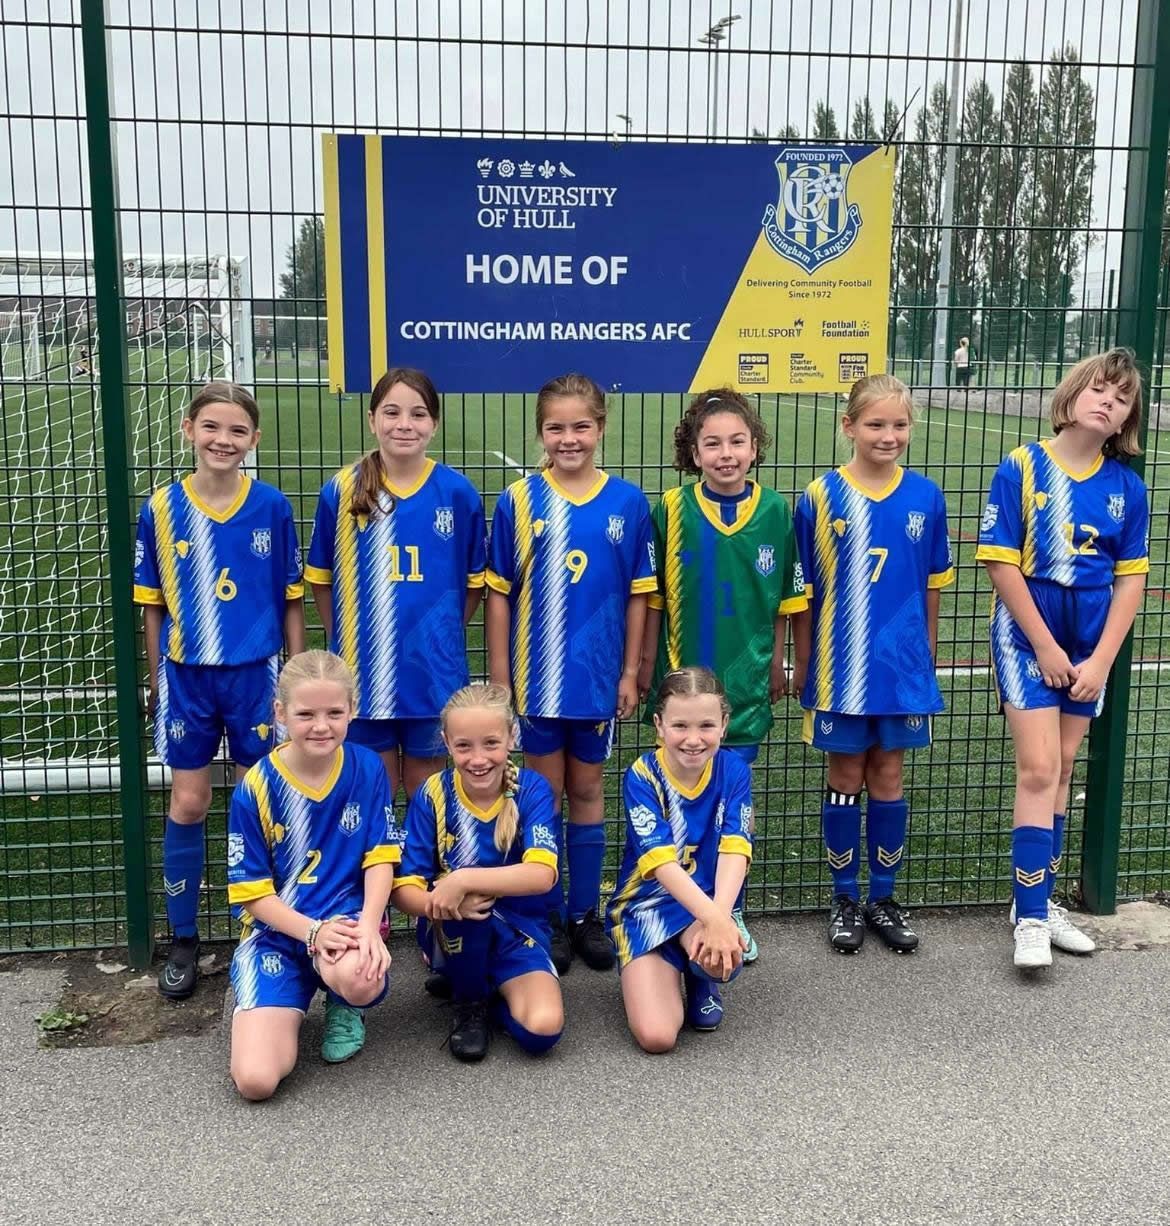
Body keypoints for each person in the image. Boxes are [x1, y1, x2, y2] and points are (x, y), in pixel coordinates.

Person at [975, 348, 1148, 969]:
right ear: (1072, 396)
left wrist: (1100, 660)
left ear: (1129, 417)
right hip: (1030, 635)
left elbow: (1130, 581)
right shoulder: (1022, 467)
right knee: (1040, 768)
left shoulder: (1128, 486)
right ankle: (1026, 917)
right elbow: (1000, 561)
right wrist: (1045, 645)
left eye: (1122, 398)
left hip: (1091, 640)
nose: (1109, 401)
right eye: (1101, 389)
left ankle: (1040, 902)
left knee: (1066, 765)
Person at [133, 380, 305, 1000]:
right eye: (211, 427)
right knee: (190, 802)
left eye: (236, 431)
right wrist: (155, 676)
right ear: (188, 430)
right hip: (187, 676)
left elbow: (290, 599)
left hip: (255, 674)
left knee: (260, 798)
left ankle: (265, 927)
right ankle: (183, 937)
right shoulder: (160, 507)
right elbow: (152, 606)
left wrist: (293, 671)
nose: (223, 440)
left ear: (253, 440)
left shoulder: (272, 507)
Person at [486, 372, 656, 974]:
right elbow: (500, 594)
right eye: (556, 427)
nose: (569, 438)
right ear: (540, 433)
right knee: (541, 796)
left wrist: (631, 671)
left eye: (581, 426)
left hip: (594, 682)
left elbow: (641, 595)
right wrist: (501, 679)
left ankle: (584, 914)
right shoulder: (518, 500)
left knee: (586, 793)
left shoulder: (628, 503)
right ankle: (543, 912)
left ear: (601, 428)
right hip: (534, 684)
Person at [636, 388, 806, 962]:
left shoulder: (779, 511)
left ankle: (728, 909)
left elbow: (789, 599)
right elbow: (653, 598)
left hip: (748, 687)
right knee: (680, 799)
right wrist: (641, 668)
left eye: (737, 441)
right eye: (713, 443)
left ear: (755, 447)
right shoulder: (671, 509)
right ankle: (683, 907)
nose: (726, 453)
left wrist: (789, 660)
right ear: (693, 451)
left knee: (729, 802)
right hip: (683, 688)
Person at [791, 374, 954, 955]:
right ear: (849, 426)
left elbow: (933, 585)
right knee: (843, 777)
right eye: (876, 424)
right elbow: (803, 591)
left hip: (903, 670)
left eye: (900, 425)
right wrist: (803, 660)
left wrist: (927, 652)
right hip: (840, 668)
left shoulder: (926, 496)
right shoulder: (819, 496)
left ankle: (883, 897)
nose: (889, 435)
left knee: (888, 777)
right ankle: (844, 898)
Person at [306, 366, 486, 804]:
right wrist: (345, 636)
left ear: (434, 423)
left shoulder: (458, 493)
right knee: (375, 793)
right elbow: (322, 582)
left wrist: (439, 629)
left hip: (432, 672)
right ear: (371, 420)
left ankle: (423, 875)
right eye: (391, 413)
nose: (404, 425)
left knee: (428, 797)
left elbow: (474, 585)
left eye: (418, 414)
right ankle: (380, 874)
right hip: (362, 673)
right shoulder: (342, 490)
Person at [227, 651, 399, 1099]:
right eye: (306, 714)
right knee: (256, 1081)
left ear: (352, 711)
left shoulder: (367, 767)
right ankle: (287, 991)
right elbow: (252, 893)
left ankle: (342, 999)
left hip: (344, 924)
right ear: (281, 714)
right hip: (281, 933)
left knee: (362, 978)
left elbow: (380, 856)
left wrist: (368, 927)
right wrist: (311, 932)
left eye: (334, 713)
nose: (321, 726)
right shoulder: (257, 787)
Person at [391, 683, 565, 1062]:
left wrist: (462, 879)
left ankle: (489, 992)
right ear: (446, 742)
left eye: (490, 743)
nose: (478, 758)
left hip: (520, 928)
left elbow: (541, 874)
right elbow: (403, 891)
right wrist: (444, 902)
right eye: (464, 746)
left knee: (544, 1029)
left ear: (512, 737)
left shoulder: (532, 790)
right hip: (454, 927)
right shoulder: (432, 794)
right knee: (468, 913)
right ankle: (468, 1002)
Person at [606, 667, 753, 1053]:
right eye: (680, 726)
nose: (693, 739)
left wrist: (719, 918)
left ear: (724, 724)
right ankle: (668, 960)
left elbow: (735, 848)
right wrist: (717, 921)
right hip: (647, 907)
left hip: (704, 904)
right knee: (657, 1037)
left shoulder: (734, 770)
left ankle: (701, 977)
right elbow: (662, 865)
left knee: (721, 960)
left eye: (706, 725)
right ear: (659, 725)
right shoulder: (642, 775)